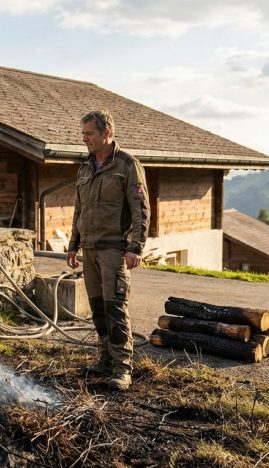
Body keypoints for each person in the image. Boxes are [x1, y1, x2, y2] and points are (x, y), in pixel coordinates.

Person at [66, 110, 150, 391]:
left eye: (89, 134)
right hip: (88, 249)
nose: (85, 139)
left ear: (106, 133)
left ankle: (122, 368)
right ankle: (105, 360)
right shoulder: (85, 167)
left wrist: (136, 246)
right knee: (98, 309)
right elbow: (80, 208)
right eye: (83, 134)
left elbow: (140, 209)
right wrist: (73, 245)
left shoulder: (127, 165)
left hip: (114, 249)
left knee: (115, 308)